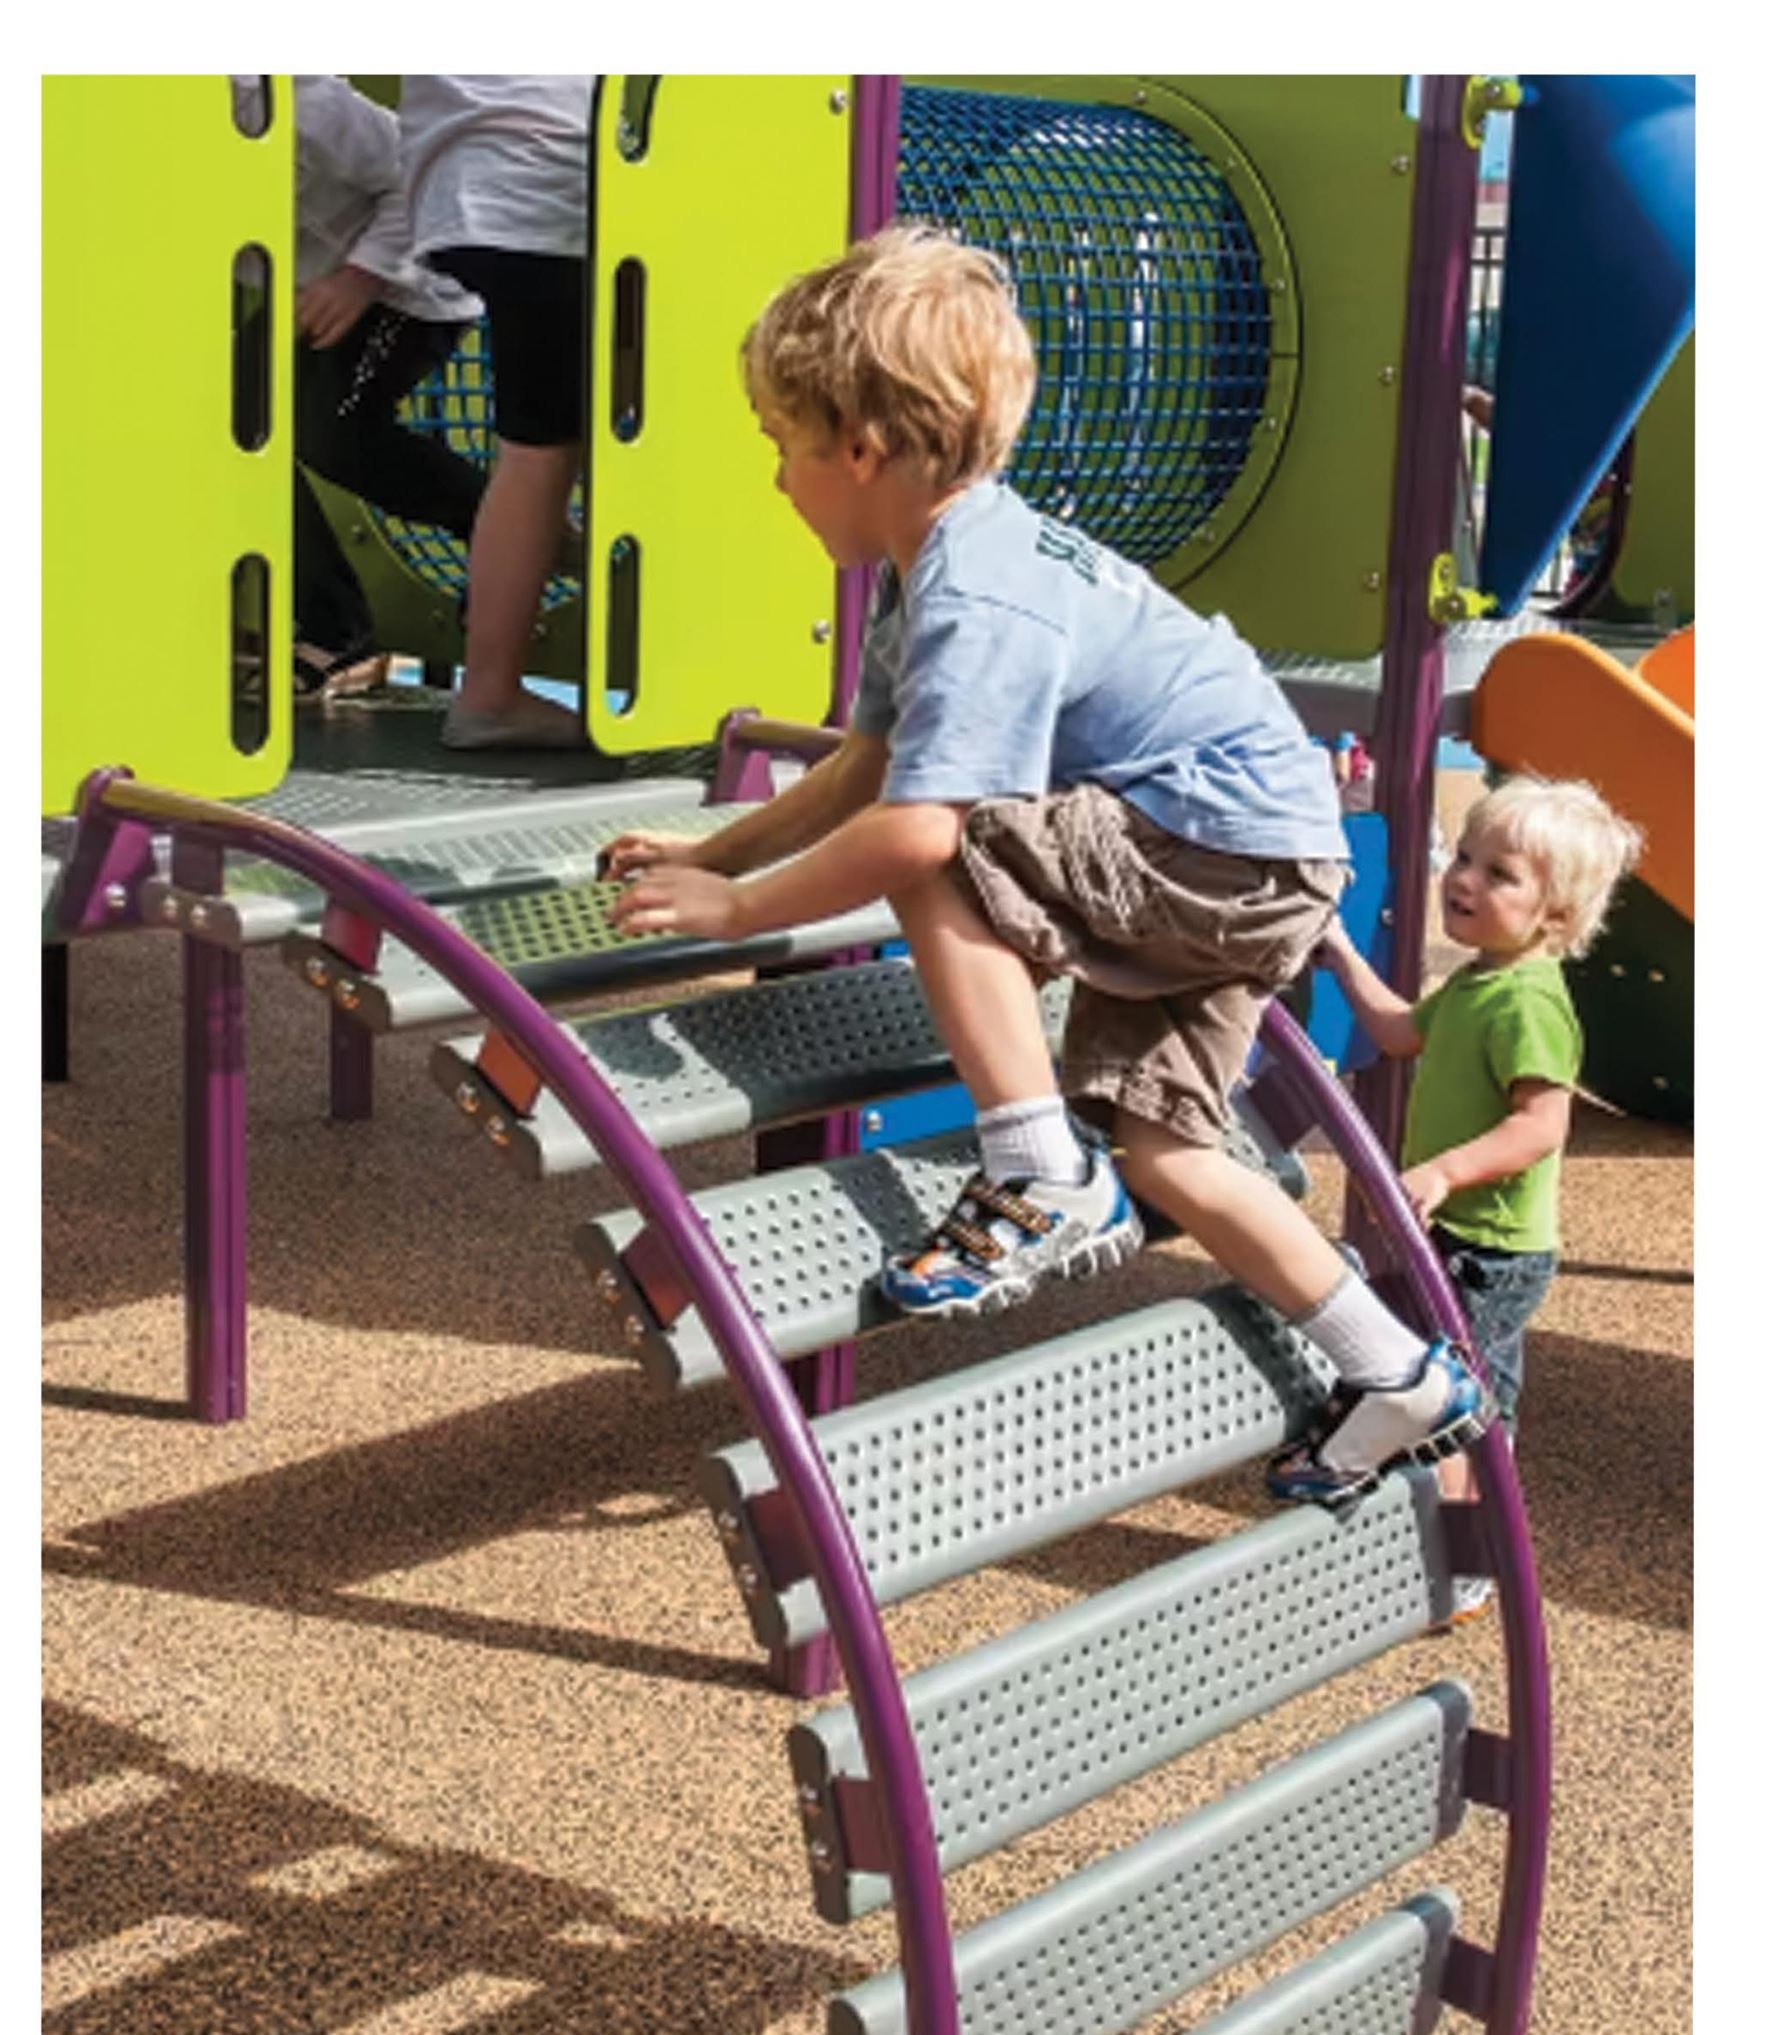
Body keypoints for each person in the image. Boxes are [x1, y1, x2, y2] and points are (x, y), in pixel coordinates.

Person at [601, 226, 1492, 1508]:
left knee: (941, 832)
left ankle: (1036, 1164)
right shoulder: (946, 561)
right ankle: (1397, 1371)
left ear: (863, 447)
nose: (775, 477)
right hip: (1243, 849)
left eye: (782, 442)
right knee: (1168, 1153)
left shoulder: (978, 592)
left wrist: (740, 908)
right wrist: (719, 849)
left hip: (1214, 848)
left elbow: (918, 828)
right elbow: (869, 761)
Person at [1318, 774, 1641, 1611]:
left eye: (1499, 874)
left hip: (1492, 1248)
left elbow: (1539, 1127)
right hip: (1460, 1234)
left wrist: (1443, 1171)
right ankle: (1429, 1526)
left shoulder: (1528, 1003)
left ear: (1554, 916)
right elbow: (1398, 1033)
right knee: (1440, 1383)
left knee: (1466, 1403)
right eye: (1464, 856)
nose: (1462, 879)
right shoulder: (1478, 980)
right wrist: (1341, 954)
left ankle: (1470, 1557)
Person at [398, 76, 596, 749]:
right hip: (544, 193)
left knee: (535, 446)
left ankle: (492, 673)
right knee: (541, 453)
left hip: (463, 191)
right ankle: (490, 693)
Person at [283, 76, 489, 698]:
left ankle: (499, 524)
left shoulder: (306, 104)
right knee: (238, 428)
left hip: (409, 290)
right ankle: (327, 618)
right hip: (312, 293)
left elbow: (416, 175)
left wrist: (360, 276)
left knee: (332, 431)